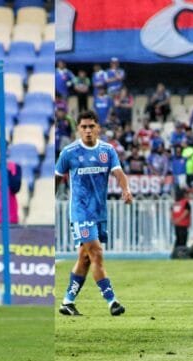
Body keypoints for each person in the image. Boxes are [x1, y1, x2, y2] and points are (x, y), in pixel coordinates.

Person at [55, 110, 132, 316]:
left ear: (98, 128)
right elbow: (56, 177)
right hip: (80, 213)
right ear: (78, 129)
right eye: (84, 127)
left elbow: (118, 172)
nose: (88, 130)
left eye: (91, 126)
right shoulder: (68, 153)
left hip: (99, 213)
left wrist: (126, 190)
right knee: (96, 253)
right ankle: (112, 301)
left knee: (85, 258)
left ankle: (67, 302)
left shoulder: (108, 150)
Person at [0, 139, 22, 224]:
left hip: (10, 219)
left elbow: (16, 188)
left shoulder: (15, 167)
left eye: (2, 151)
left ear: (7, 152)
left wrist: (6, 172)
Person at [171, 188, 191, 258]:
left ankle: (174, 254)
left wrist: (174, 220)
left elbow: (171, 212)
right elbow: (186, 212)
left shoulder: (175, 203)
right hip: (183, 224)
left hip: (177, 224)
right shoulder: (185, 202)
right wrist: (179, 219)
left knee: (178, 239)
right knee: (183, 240)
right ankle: (182, 254)